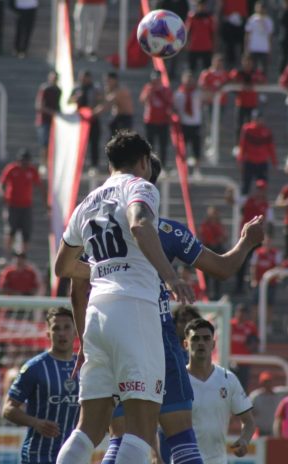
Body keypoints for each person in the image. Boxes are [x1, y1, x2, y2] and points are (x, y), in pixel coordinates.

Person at [71, 154, 264, 464]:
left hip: (107, 327)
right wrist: (246, 242)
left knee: (118, 437)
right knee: (179, 436)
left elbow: (76, 285)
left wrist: (84, 342)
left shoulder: (97, 229)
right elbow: (223, 268)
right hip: (155, 334)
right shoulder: (166, 231)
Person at [53, 131, 194, 464]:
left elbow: (63, 266)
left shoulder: (86, 203)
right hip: (134, 310)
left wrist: (104, 269)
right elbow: (140, 225)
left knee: (88, 429)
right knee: (141, 430)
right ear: (144, 161)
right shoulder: (141, 186)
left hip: (97, 317)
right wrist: (171, 276)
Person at [3, 307, 80, 462]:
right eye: (56, 328)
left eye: (67, 327)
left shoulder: (84, 367)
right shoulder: (35, 367)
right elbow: (8, 409)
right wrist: (35, 423)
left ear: (76, 332)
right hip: (37, 456)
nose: (62, 333)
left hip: (73, 456)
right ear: (48, 334)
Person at [185, 318, 255, 462]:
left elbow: (249, 422)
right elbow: (155, 421)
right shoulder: (177, 380)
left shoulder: (228, 379)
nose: (201, 343)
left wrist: (244, 440)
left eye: (206, 338)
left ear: (213, 344)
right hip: (184, 460)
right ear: (186, 344)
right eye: (195, 339)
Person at [0, 149, 44, 255]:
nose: (24, 163)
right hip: (12, 205)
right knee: (10, 231)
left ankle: (23, 256)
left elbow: (40, 186)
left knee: (26, 233)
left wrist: (46, 203)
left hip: (26, 206)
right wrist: (2, 194)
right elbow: (0, 183)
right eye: (22, 161)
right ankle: (7, 254)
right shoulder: (12, 169)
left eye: (26, 161)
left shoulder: (32, 171)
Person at [236, 110, 277, 195]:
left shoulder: (267, 131)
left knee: (263, 185)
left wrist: (274, 162)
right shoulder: (247, 129)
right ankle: (244, 203)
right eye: (257, 119)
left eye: (260, 119)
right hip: (250, 161)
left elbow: (271, 147)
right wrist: (240, 159)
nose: (259, 121)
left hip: (262, 162)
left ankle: (262, 204)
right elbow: (243, 145)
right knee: (245, 184)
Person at [70, 70, 103, 169]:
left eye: (85, 77)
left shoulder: (95, 88)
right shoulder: (77, 88)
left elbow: (101, 101)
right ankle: (78, 164)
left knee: (94, 142)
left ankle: (94, 165)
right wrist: (75, 98)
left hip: (93, 118)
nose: (82, 80)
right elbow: (69, 100)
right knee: (80, 143)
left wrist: (94, 112)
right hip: (80, 119)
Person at [140, 71, 173, 167]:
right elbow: (142, 100)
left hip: (163, 120)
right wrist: (150, 91)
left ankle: (163, 165)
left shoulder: (166, 90)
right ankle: (150, 165)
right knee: (150, 145)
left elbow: (170, 102)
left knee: (163, 145)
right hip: (150, 120)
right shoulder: (148, 88)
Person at [228, 54, 267, 134]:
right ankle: (238, 144)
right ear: (242, 62)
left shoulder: (256, 73)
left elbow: (263, 81)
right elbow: (230, 80)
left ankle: (250, 144)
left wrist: (254, 84)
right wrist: (240, 84)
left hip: (252, 103)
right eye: (246, 62)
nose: (248, 64)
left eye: (249, 62)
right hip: (241, 103)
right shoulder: (238, 73)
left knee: (252, 125)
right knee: (239, 126)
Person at [173, 70, 203, 168]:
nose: (189, 82)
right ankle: (181, 168)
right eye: (187, 80)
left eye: (191, 80)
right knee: (182, 149)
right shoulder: (178, 94)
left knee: (196, 149)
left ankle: (197, 170)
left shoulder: (197, 93)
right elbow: (175, 108)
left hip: (195, 124)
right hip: (184, 124)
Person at [34, 71, 62, 167]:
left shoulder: (58, 90)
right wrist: (53, 113)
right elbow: (39, 106)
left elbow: (57, 105)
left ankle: (50, 163)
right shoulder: (45, 89)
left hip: (54, 121)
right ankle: (43, 163)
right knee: (45, 143)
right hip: (44, 121)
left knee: (53, 144)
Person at [96, 72, 134, 138]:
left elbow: (107, 105)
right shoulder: (114, 90)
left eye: (108, 81)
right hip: (118, 118)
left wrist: (92, 113)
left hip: (124, 119)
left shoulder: (120, 91)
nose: (106, 83)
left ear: (114, 80)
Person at [249, 371, 285, 437]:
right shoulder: (255, 396)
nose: (268, 384)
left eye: (269, 381)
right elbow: (248, 413)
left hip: (274, 432)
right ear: (261, 383)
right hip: (260, 432)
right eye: (265, 382)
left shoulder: (280, 393)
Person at [186, 0, 216, 72]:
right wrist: (187, 43)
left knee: (207, 68)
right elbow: (188, 31)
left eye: (203, 6)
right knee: (191, 68)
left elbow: (213, 32)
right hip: (194, 46)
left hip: (206, 46)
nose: (202, 8)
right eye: (200, 6)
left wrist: (214, 44)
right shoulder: (192, 17)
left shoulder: (209, 17)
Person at [244, 2, 274, 73]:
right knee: (253, 68)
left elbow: (270, 36)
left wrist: (270, 49)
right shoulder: (252, 19)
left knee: (264, 69)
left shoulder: (268, 21)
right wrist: (246, 48)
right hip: (253, 47)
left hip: (264, 48)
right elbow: (247, 34)